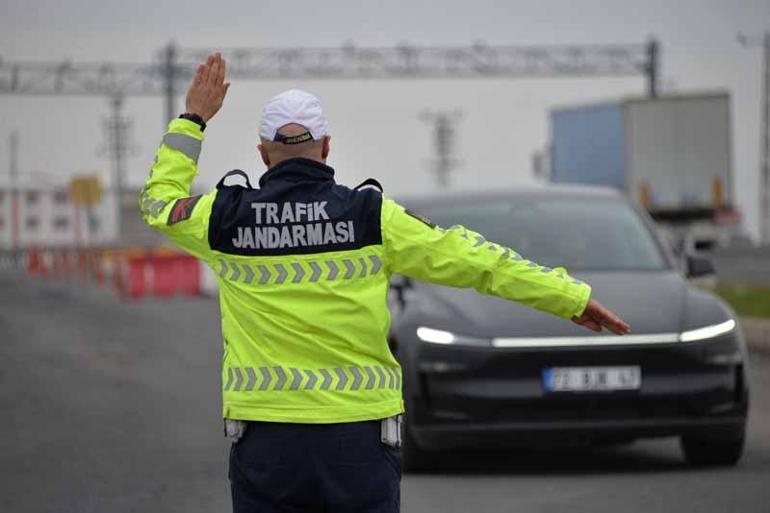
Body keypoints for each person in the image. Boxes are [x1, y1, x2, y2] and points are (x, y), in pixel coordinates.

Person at [140, 52, 631, 513]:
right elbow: (480, 261)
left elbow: (159, 204)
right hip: (358, 439)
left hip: (267, 437)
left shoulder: (224, 218)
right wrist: (571, 297)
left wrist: (193, 118)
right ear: (326, 147)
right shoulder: (371, 217)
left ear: (263, 154)